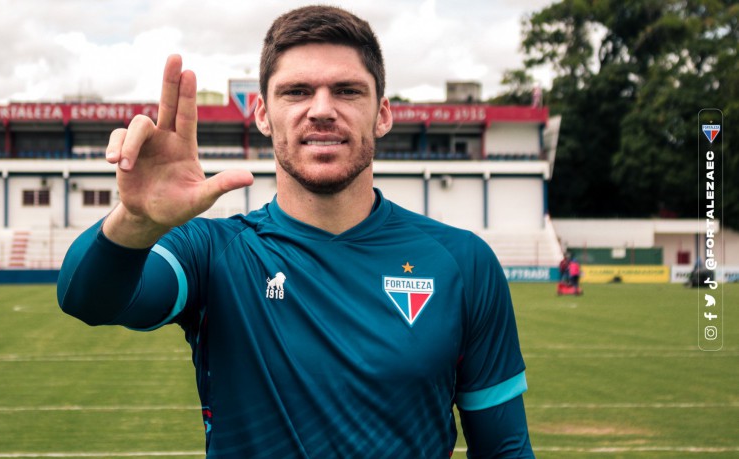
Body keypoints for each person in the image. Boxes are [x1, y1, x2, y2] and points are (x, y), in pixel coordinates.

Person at [57, 5, 534, 458]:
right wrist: (137, 221)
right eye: (297, 91)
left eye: (347, 91)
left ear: (383, 114)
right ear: (263, 113)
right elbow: (86, 299)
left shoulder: (463, 262)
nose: (322, 109)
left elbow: (505, 448)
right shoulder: (212, 253)